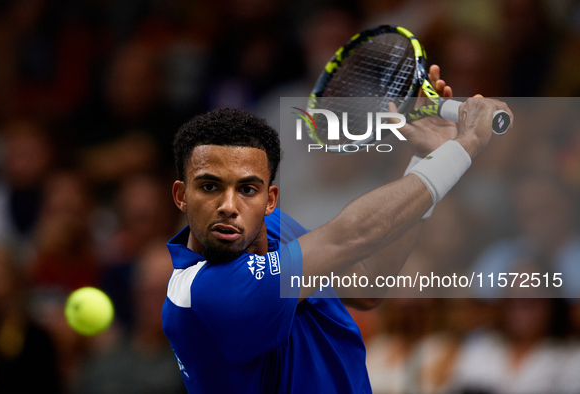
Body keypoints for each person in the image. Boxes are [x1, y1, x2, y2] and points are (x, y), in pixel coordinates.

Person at [162, 66, 512, 393]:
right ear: (181, 195)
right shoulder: (205, 290)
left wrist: (427, 157)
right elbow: (350, 236)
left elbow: (367, 284)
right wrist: (465, 145)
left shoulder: (272, 228)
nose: (228, 205)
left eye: (247, 189)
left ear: (270, 200)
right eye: (209, 186)